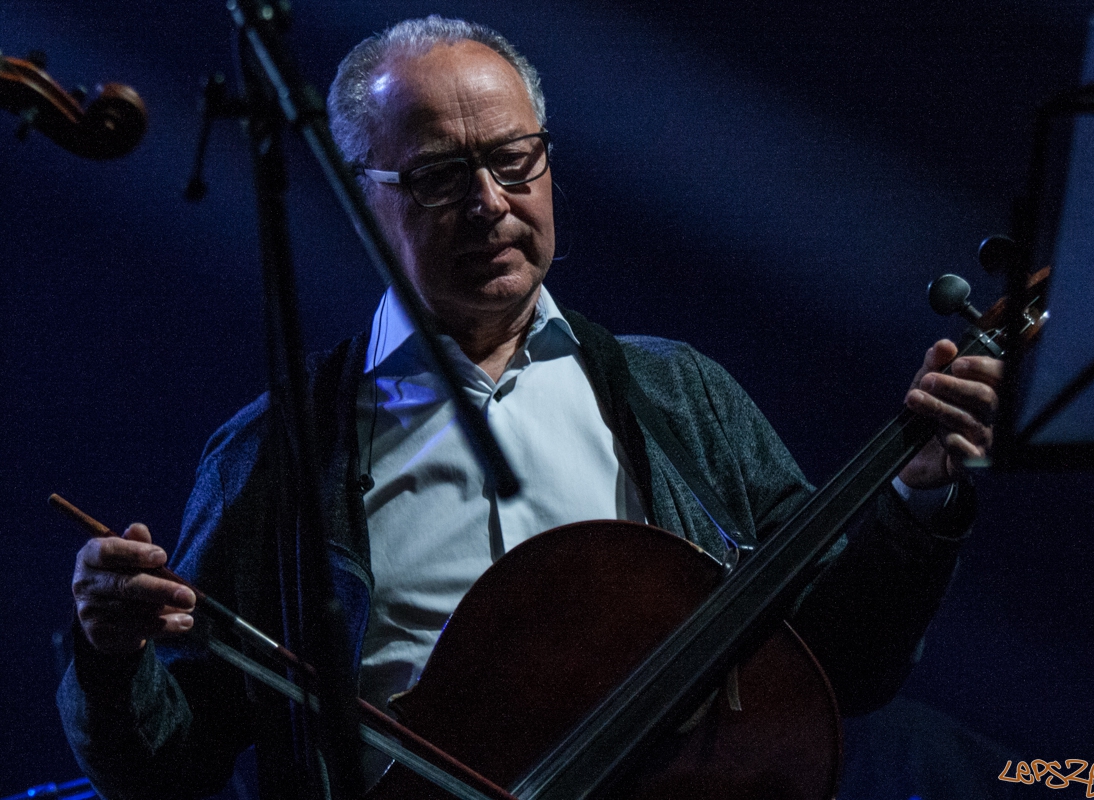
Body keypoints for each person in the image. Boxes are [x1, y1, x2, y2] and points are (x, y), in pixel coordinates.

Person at [59, 15, 1002, 800]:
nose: (489, 203)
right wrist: (109, 658)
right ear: (361, 195)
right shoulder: (278, 451)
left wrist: (916, 502)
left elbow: (845, 663)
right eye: (437, 177)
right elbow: (169, 770)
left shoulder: (679, 395)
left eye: (516, 162)